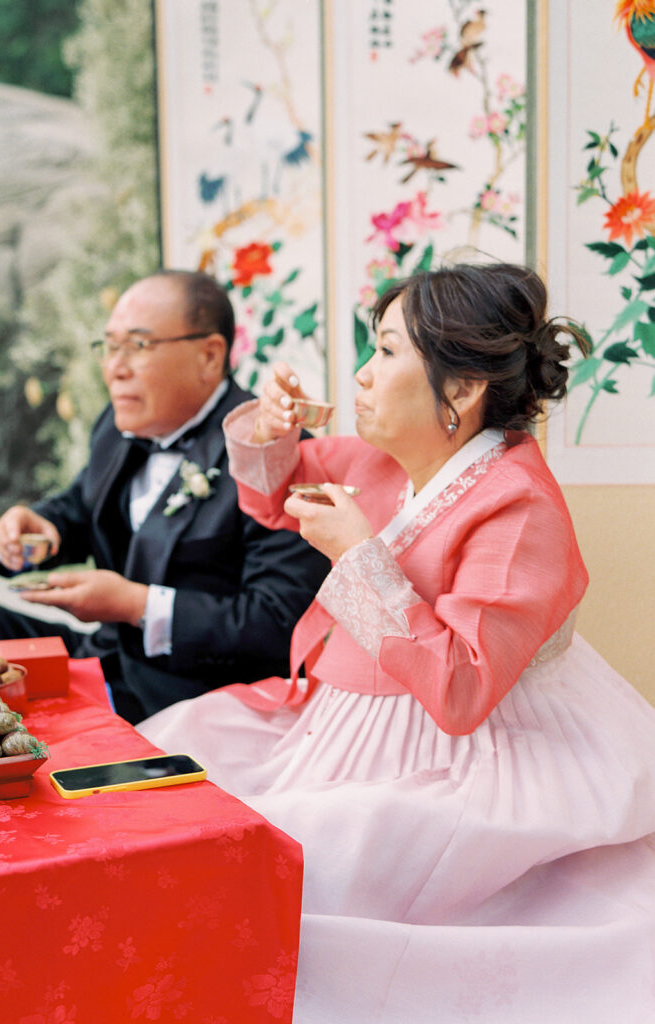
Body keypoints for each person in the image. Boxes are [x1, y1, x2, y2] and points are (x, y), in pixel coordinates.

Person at [139, 262, 655, 1022]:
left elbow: (460, 688)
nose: (362, 375)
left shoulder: (518, 509)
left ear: (459, 389)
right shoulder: (385, 462)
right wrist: (270, 428)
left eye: (384, 352)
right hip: (338, 720)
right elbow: (272, 492)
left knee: (280, 867)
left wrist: (357, 557)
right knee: (177, 773)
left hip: (464, 754)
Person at [0, 270, 329, 722]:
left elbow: (277, 623)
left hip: (191, 695)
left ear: (210, 356)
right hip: (107, 658)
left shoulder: (277, 452)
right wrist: (39, 526)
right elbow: (81, 504)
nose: (116, 367)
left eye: (138, 345)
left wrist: (136, 606)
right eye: (110, 347)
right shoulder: (118, 424)